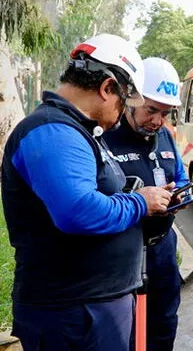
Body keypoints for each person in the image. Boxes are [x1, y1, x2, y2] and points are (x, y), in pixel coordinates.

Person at [0, 34, 174, 350]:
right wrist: (139, 202)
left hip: (90, 309)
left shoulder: (74, 130)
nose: (123, 113)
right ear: (108, 88)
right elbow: (78, 211)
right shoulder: (52, 131)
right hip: (73, 313)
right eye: (125, 101)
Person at [103, 57, 190, 351]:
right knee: (124, 331)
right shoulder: (105, 137)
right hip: (122, 251)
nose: (157, 121)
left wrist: (179, 193)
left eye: (165, 113)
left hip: (163, 248)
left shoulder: (164, 135)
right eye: (151, 110)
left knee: (163, 323)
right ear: (130, 98)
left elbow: (178, 175)